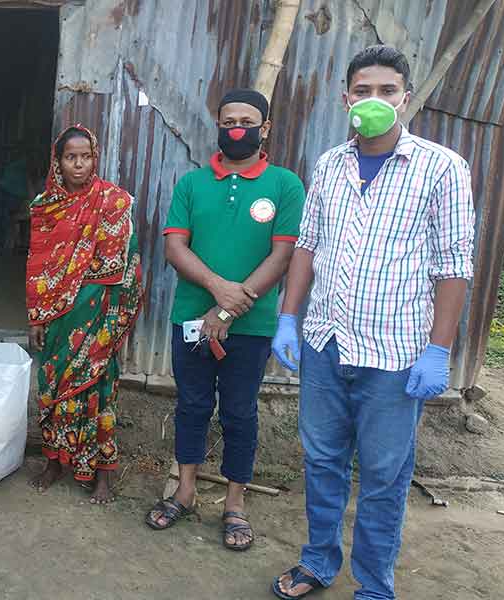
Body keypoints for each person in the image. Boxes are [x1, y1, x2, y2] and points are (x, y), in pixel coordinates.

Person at [270, 46, 474, 600]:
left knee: (385, 476)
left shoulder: (442, 167)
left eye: (387, 91)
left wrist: (439, 350)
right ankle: (317, 562)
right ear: (346, 100)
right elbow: (308, 246)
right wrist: (289, 319)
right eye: (363, 91)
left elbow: (454, 265)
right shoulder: (330, 165)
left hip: (395, 355)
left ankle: (375, 585)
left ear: (405, 99)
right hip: (326, 343)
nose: (374, 101)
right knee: (321, 462)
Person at [147, 89, 305, 551]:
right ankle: (186, 491)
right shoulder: (192, 184)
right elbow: (176, 248)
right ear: (217, 126)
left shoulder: (284, 184)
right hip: (190, 321)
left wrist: (230, 307)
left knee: (239, 412)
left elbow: (283, 254)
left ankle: (235, 504)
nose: (237, 128)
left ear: (265, 129)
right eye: (228, 120)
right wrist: (217, 290)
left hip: (251, 326)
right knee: (192, 406)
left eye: (247, 120)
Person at [26, 125, 143, 504]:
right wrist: (37, 317)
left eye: (86, 156)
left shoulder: (114, 202)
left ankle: (102, 475)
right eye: (70, 157)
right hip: (58, 317)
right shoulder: (46, 208)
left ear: (95, 158)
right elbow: (39, 267)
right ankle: (55, 461)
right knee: (53, 389)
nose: (79, 164)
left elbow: (127, 266)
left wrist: (110, 317)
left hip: (99, 317)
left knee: (99, 391)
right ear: (57, 161)